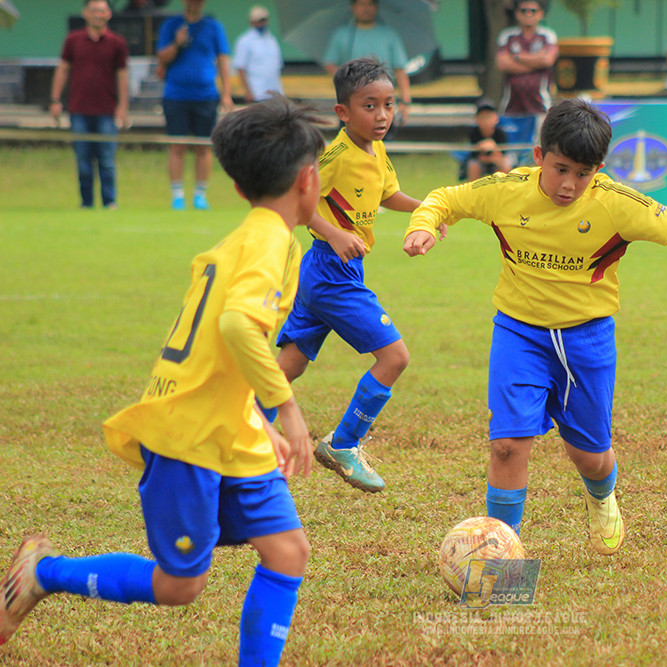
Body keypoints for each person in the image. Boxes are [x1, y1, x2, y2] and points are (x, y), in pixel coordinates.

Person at [0, 96, 327, 666]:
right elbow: (236, 326)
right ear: (308, 179)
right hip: (189, 435)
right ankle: (43, 573)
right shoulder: (270, 241)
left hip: (233, 430)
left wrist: (256, 417)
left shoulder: (253, 236)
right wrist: (288, 410)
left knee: (288, 552)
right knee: (182, 586)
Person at [402, 98, 667, 555]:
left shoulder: (617, 205)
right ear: (539, 156)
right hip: (519, 332)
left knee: (589, 454)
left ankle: (602, 495)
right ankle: (501, 562)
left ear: (599, 169)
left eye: (582, 174)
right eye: (560, 169)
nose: (569, 185)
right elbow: (447, 197)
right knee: (507, 446)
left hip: (586, 339)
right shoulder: (506, 191)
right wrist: (424, 223)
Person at [272, 58, 427, 494]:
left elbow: (389, 195)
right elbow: (298, 200)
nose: (382, 116)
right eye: (370, 106)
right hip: (331, 270)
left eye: (389, 105)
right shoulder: (335, 155)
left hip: (326, 271)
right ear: (344, 112)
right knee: (395, 357)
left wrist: (428, 209)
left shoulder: (375, 148)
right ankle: (344, 444)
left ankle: (239, 430)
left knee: (289, 366)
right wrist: (335, 234)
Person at [49, 0, 129, 210]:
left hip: (107, 111)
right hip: (79, 110)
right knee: (83, 161)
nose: (97, 14)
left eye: (102, 10)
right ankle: (86, 202)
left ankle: (109, 202)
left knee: (107, 160)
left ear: (109, 14)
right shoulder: (73, 40)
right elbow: (63, 69)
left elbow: (122, 77)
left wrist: (123, 107)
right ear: (85, 13)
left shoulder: (117, 43)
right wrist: (55, 99)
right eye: (94, 10)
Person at [156, 0, 233, 211]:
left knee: (203, 147)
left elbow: (223, 60)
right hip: (175, 95)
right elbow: (161, 58)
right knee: (177, 146)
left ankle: (200, 195)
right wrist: (177, 43)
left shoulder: (213, 26)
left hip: (206, 95)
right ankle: (177, 196)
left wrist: (226, 93)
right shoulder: (171, 25)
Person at [322, 0, 412, 125]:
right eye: (361, 4)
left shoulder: (389, 35)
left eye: (370, 4)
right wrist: (347, 78)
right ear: (353, 7)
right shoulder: (342, 35)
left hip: (382, 105)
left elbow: (400, 70)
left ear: (376, 7)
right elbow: (329, 63)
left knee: (381, 143)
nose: (366, 8)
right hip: (352, 104)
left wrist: (405, 101)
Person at [495, 0, 558, 119]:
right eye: (524, 10)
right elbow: (503, 64)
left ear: (541, 14)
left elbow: (547, 60)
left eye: (533, 11)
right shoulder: (507, 36)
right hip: (511, 105)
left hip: (541, 104)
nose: (528, 14)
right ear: (517, 13)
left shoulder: (547, 36)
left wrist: (517, 57)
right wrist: (536, 62)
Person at [232, 6, 284, 103]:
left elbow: (277, 66)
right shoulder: (245, 41)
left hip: (275, 92)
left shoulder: (271, 39)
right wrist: (247, 91)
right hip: (257, 92)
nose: (262, 23)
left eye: (264, 20)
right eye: (260, 20)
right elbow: (241, 67)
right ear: (252, 22)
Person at [462, 97, 512, 181]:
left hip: (497, 159)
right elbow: (474, 155)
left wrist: (493, 147)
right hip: (480, 161)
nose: (486, 121)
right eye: (483, 117)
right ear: (477, 119)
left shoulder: (501, 133)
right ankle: (474, 192)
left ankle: (502, 190)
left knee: (505, 166)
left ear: (496, 118)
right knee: (473, 167)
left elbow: (502, 155)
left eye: (489, 117)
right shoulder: (473, 133)